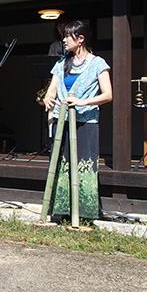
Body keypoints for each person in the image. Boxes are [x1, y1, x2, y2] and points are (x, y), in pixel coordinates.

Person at [43, 20, 112, 220]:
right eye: (63, 36)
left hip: (86, 122)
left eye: (68, 36)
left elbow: (107, 95)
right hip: (61, 120)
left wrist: (82, 102)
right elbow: (51, 91)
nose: (64, 40)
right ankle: (60, 210)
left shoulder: (98, 63)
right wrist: (48, 99)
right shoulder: (60, 64)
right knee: (60, 163)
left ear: (80, 39)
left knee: (84, 164)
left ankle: (84, 213)